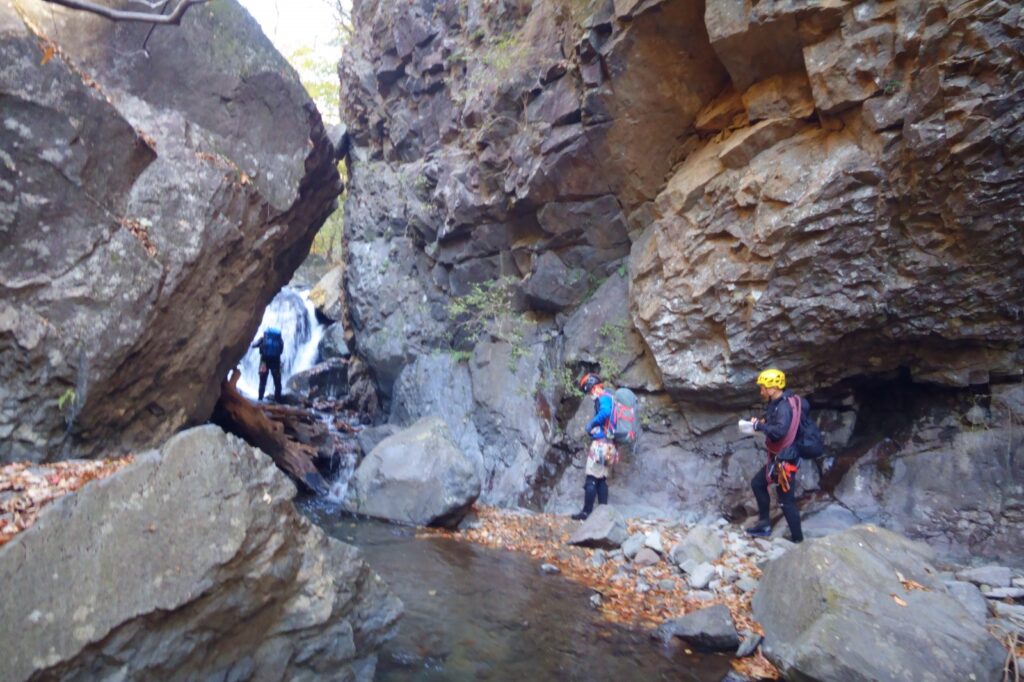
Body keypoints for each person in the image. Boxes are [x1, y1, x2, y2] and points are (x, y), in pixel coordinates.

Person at [745, 368, 805, 543]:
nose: (761, 391)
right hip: (780, 458)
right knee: (758, 484)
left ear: (772, 388)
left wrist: (759, 427)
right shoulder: (778, 403)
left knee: (786, 500)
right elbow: (775, 422)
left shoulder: (784, 407)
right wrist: (762, 422)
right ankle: (764, 525)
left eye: (763, 387)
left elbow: (779, 431)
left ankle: (798, 539)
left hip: (786, 459)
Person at [571, 373, 618, 521]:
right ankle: (603, 514)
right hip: (610, 445)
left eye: (589, 391)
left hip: (600, 445)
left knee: (591, 478)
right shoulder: (610, 397)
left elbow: (605, 412)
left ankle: (586, 513)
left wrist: (592, 423)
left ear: (593, 387)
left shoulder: (603, 398)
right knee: (601, 479)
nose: (590, 394)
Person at [251, 327, 284, 402]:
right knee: (277, 381)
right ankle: (278, 399)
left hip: (264, 361)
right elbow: (281, 351)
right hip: (275, 361)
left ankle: (260, 399)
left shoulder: (263, 339)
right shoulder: (279, 340)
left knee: (262, 381)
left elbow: (253, 345)